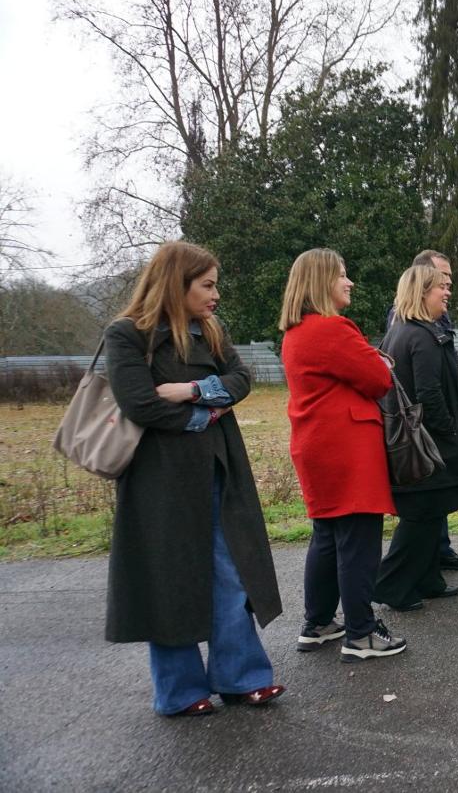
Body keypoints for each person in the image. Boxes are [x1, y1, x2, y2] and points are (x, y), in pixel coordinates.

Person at [103, 241, 283, 717]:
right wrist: (208, 414)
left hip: (218, 471)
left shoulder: (211, 330)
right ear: (175, 284)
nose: (216, 294)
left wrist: (192, 390)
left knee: (231, 574)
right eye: (207, 285)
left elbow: (242, 379)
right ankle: (181, 692)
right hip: (157, 484)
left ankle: (241, 678)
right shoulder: (127, 335)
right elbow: (139, 403)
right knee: (170, 582)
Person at [280, 248, 406, 661]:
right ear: (320, 283)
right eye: (342, 275)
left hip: (316, 445)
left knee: (329, 538)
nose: (349, 282)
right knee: (358, 540)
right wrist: (377, 363)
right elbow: (377, 378)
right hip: (346, 446)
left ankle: (317, 623)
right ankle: (361, 633)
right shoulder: (332, 330)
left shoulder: (296, 332)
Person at [374, 265, 458, 610]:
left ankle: (427, 579)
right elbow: (427, 393)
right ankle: (391, 586)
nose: (447, 292)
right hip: (427, 442)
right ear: (423, 293)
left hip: (417, 440)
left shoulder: (401, 331)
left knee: (431, 511)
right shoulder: (420, 336)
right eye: (441, 287)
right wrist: (450, 431)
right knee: (422, 514)